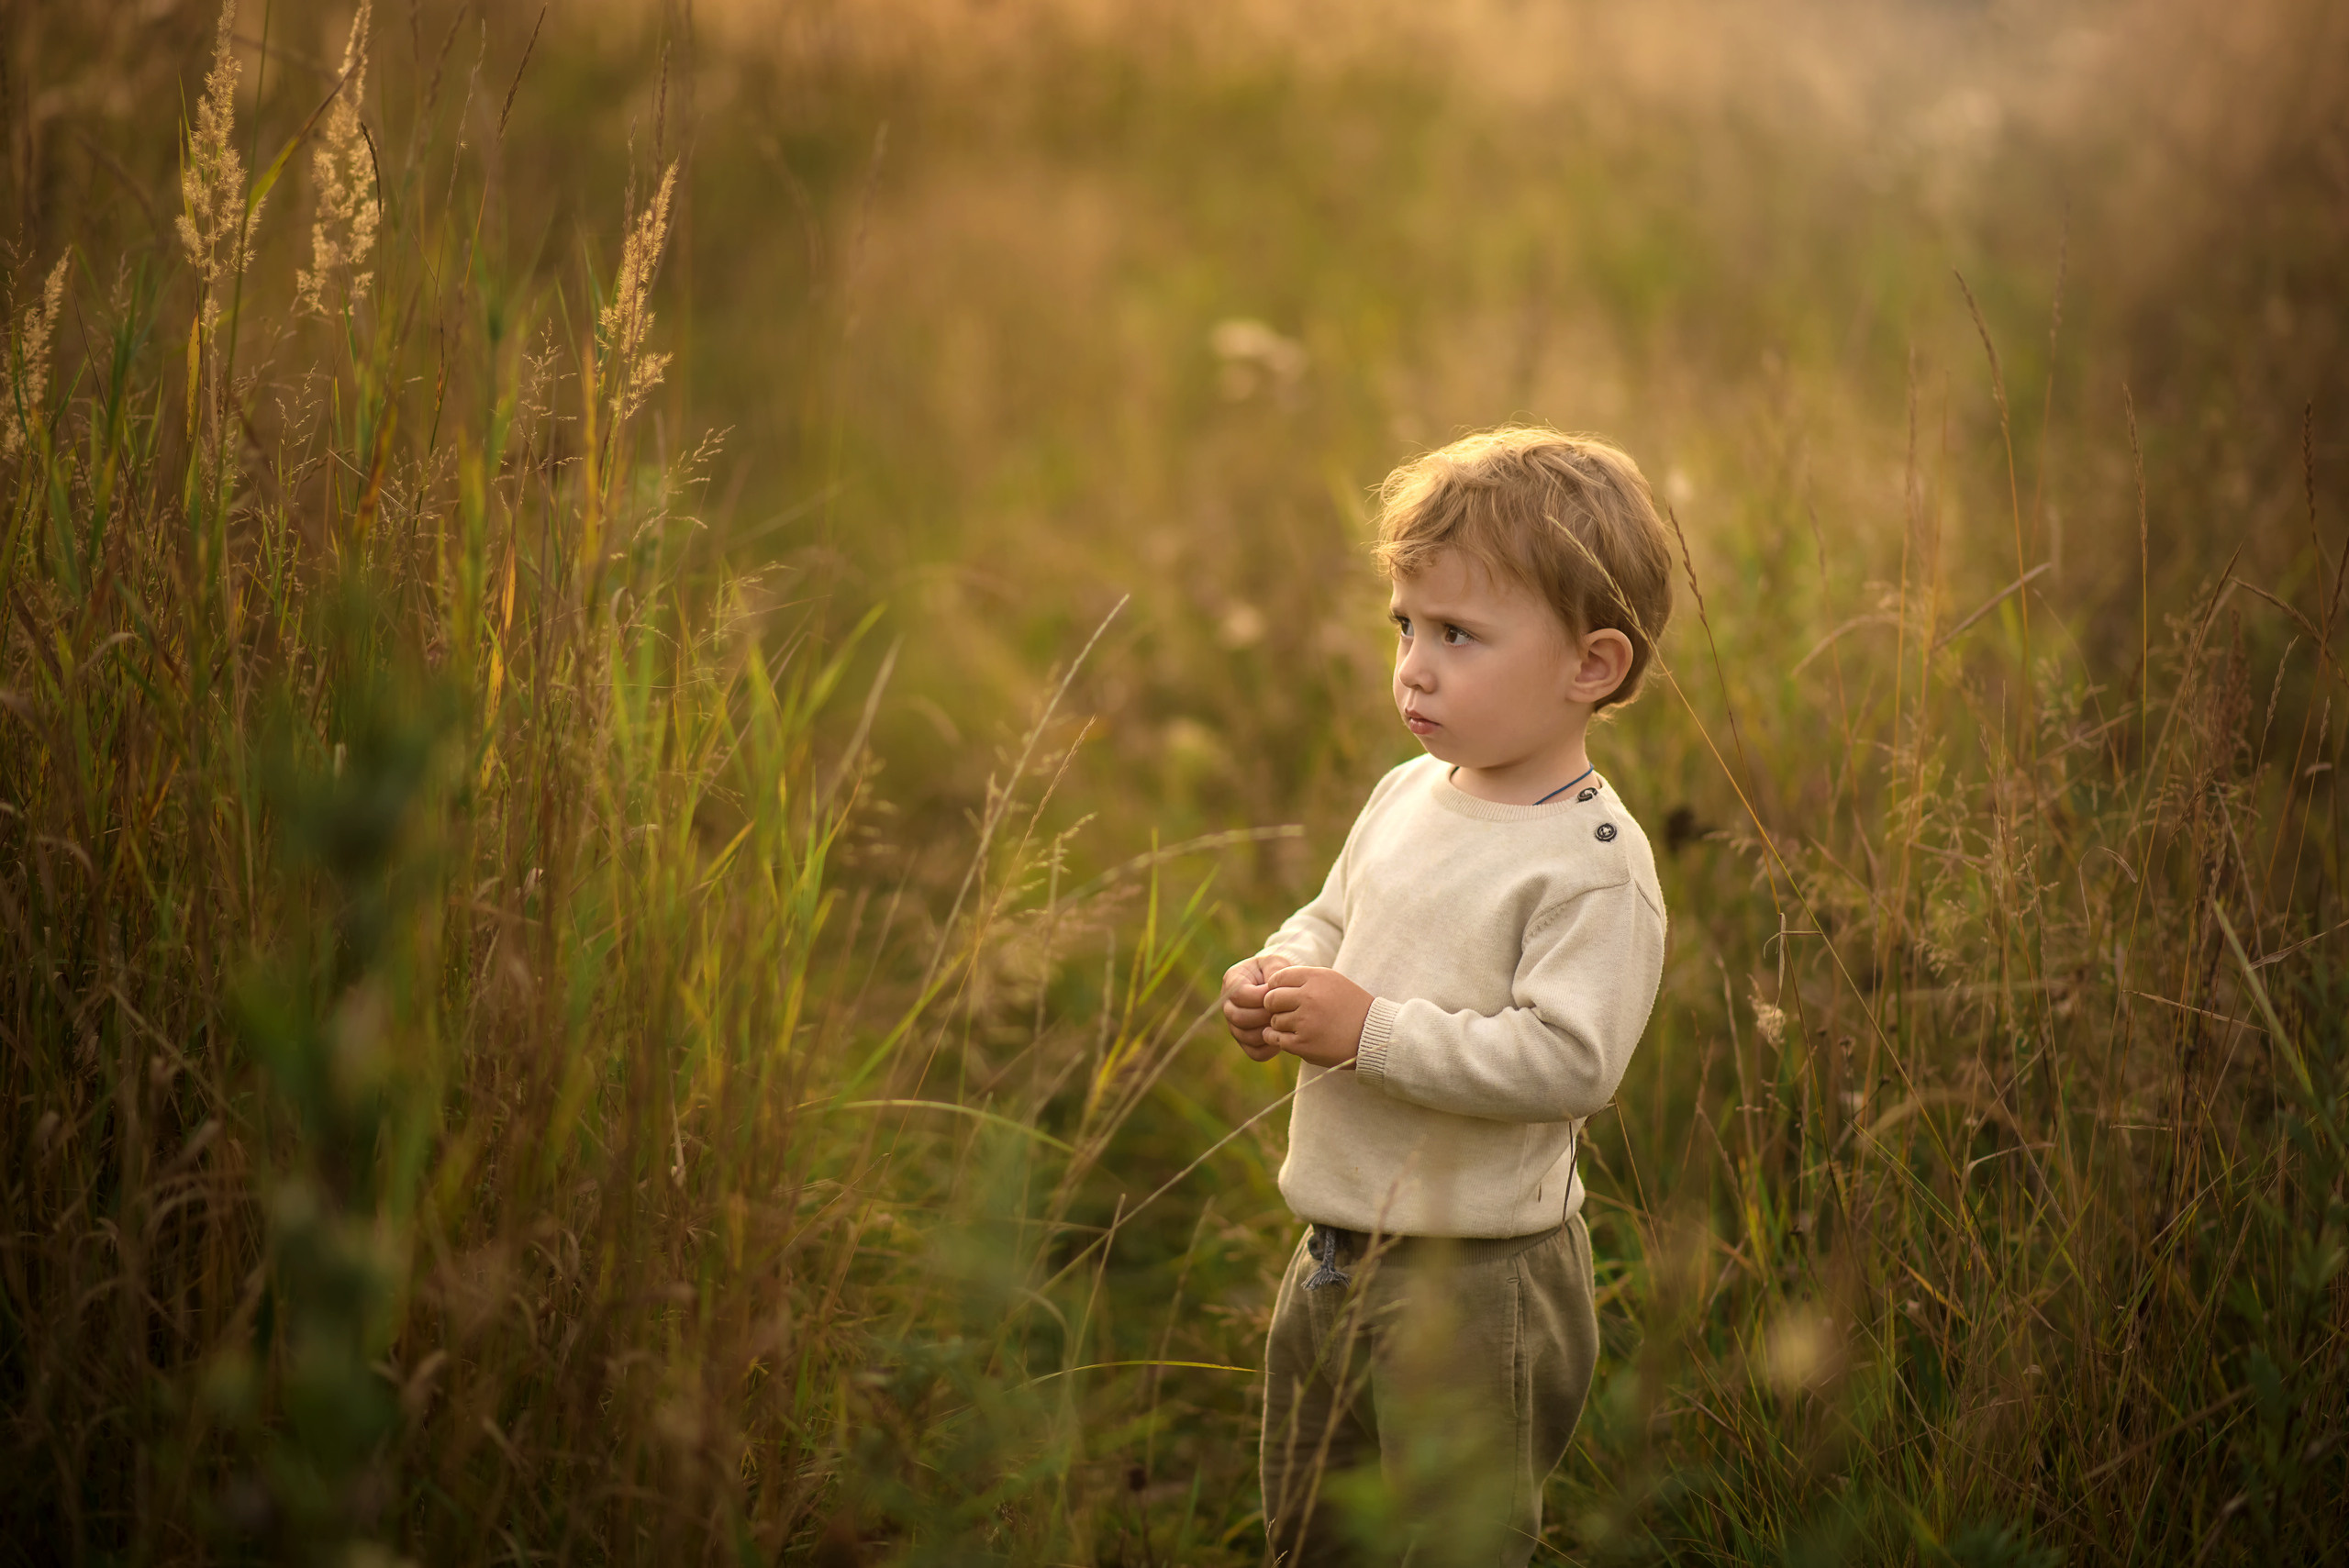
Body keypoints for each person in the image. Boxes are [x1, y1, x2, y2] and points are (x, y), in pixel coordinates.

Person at [1219, 426, 1675, 1566]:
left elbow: (1569, 1061)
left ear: (1591, 665)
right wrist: (1279, 973)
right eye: (1406, 627)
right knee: (1315, 1525)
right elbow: (1335, 917)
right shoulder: (1410, 789)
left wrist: (1362, 1030)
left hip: (1475, 1278)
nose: (1414, 666)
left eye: (1459, 635)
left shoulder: (1590, 864)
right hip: (1332, 1248)